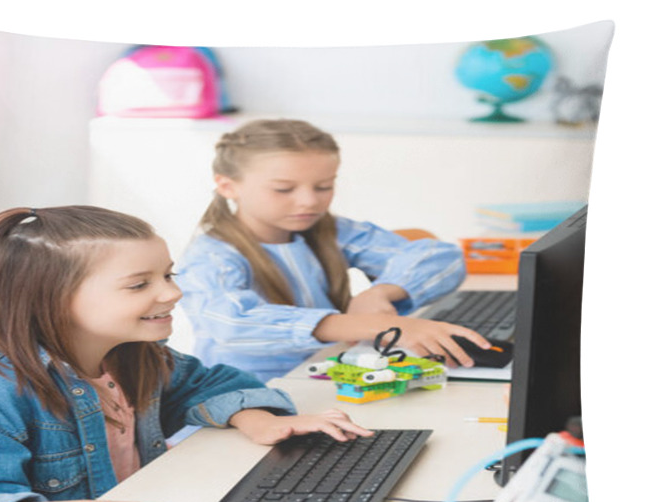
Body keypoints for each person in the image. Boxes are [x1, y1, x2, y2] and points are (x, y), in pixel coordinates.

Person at [0, 205, 371, 502]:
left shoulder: (136, 356)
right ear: (50, 299)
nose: (172, 294)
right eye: (140, 285)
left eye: (168, 276)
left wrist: (261, 421)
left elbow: (208, 384)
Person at [178, 118, 492, 382]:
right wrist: (379, 325)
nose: (309, 201)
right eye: (284, 189)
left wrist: (380, 293)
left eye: (324, 186)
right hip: (247, 400)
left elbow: (441, 258)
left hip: (327, 378)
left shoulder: (333, 232)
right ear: (227, 186)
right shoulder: (211, 257)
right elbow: (232, 322)